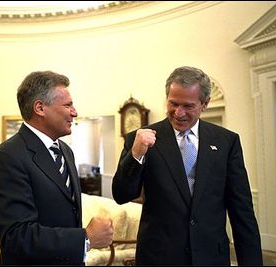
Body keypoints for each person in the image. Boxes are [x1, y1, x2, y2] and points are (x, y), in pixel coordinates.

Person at [112, 66, 263, 265]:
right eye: (173, 103)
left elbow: (241, 210)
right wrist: (136, 155)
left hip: (211, 256)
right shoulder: (140, 139)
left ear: (205, 103)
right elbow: (121, 195)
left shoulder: (227, 142)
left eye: (188, 106)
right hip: (159, 257)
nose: (178, 113)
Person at [0, 71, 114, 265]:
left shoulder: (66, 151)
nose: (75, 112)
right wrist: (85, 238)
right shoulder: (8, 157)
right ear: (40, 108)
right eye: (68, 105)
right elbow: (15, 236)